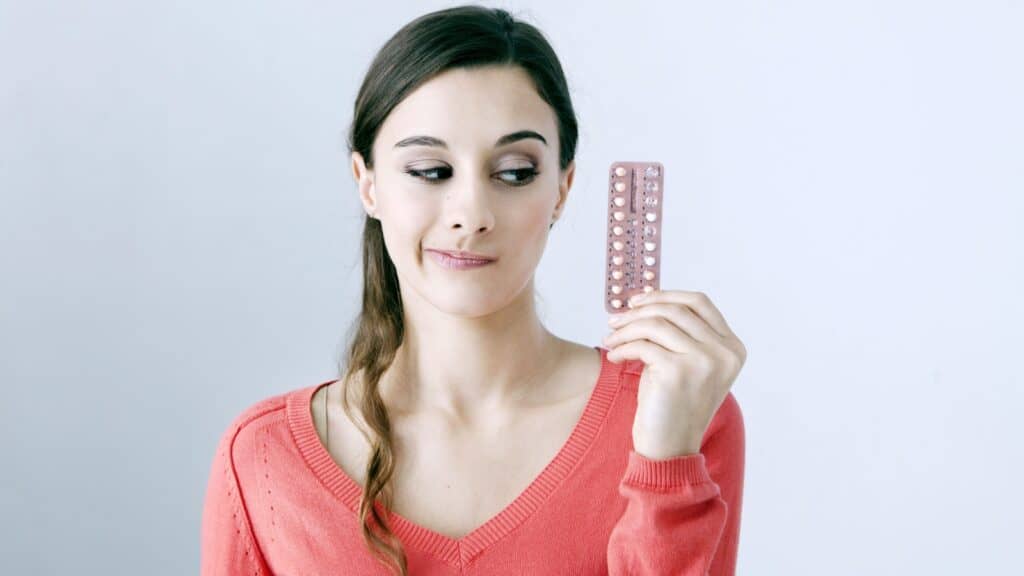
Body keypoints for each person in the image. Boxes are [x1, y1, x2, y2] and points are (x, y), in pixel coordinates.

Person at [200, 5, 747, 575]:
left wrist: (666, 464)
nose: (472, 215)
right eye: (431, 171)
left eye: (514, 172)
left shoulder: (682, 414)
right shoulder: (265, 457)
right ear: (367, 184)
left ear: (562, 188)